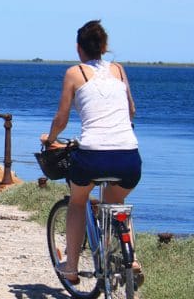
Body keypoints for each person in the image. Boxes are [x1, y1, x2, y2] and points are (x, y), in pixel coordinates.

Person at [40, 20, 143, 285]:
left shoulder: (75, 73)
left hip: (92, 156)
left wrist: (50, 139)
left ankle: (71, 267)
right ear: (104, 47)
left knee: (77, 202)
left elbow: (61, 119)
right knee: (116, 203)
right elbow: (131, 110)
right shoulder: (118, 70)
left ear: (78, 48)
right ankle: (131, 259)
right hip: (129, 156)